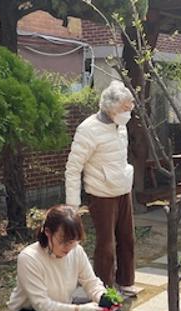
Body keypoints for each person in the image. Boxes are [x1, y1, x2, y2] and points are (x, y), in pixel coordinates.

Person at [7, 205, 122, 311]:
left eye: (73, 241)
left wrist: (103, 297)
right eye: (63, 241)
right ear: (48, 232)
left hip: (62, 306)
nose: (68, 247)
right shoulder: (29, 258)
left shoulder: (76, 251)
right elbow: (41, 305)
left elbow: (90, 282)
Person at [65, 80, 139, 296]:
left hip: (123, 189)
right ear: (112, 107)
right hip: (101, 194)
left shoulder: (121, 125)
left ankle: (126, 281)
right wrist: (73, 205)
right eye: (125, 107)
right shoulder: (88, 129)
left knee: (127, 239)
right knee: (106, 245)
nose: (129, 111)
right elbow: (73, 168)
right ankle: (103, 289)